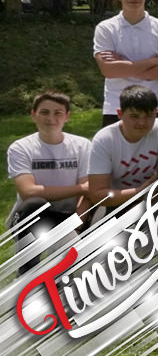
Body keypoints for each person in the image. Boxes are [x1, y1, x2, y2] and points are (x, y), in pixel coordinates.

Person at [7, 92, 91, 272]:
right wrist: (79, 188)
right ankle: (27, 273)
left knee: (64, 272)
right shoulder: (21, 147)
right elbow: (28, 192)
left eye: (58, 113)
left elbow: (88, 192)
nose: (51, 118)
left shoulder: (82, 145)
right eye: (44, 112)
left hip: (69, 215)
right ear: (33, 115)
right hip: (32, 215)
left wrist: (75, 225)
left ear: (67, 116)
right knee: (34, 204)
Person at [93, 0, 158, 125]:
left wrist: (125, 68)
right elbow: (108, 70)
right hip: (116, 107)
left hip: (155, 106)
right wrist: (154, 62)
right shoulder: (105, 28)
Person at [88, 85, 158, 209]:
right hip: (119, 204)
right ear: (120, 114)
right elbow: (97, 194)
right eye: (134, 116)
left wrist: (152, 199)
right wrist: (139, 193)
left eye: (148, 115)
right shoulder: (104, 139)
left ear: (156, 113)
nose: (142, 123)